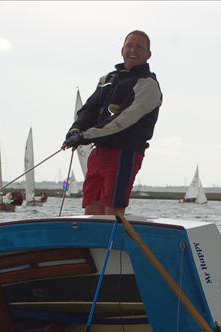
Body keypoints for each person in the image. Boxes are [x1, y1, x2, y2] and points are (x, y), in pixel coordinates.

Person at [62, 30, 162, 216]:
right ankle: (89, 244)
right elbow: (89, 109)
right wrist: (75, 130)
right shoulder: (107, 80)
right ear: (122, 49)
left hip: (124, 154)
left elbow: (123, 121)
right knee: (91, 206)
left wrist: (85, 136)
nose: (133, 50)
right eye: (129, 45)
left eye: (139, 47)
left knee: (112, 209)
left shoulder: (148, 85)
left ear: (148, 54)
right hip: (98, 153)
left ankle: (112, 243)